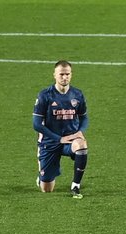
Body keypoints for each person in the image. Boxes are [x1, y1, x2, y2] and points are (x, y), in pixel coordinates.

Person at [33, 60, 89, 198]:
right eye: (61, 74)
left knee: (81, 145)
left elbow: (84, 117)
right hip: (49, 143)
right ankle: (42, 178)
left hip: (70, 140)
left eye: (67, 74)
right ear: (54, 75)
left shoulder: (78, 95)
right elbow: (37, 124)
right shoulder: (45, 95)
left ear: (71, 75)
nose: (64, 77)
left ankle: (75, 186)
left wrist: (80, 131)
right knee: (47, 189)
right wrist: (59, 139)